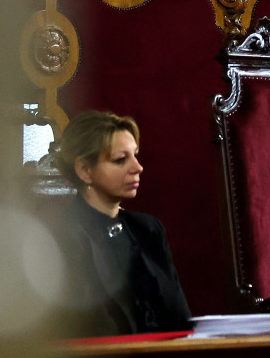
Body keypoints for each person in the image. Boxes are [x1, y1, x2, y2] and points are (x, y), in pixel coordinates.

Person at [51, 110, 192, 336]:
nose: (138, 167)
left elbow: (180, 319)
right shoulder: (62, 237)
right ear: (85, 170)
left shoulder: (149, 229)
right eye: (120, 160)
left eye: (135, 155)